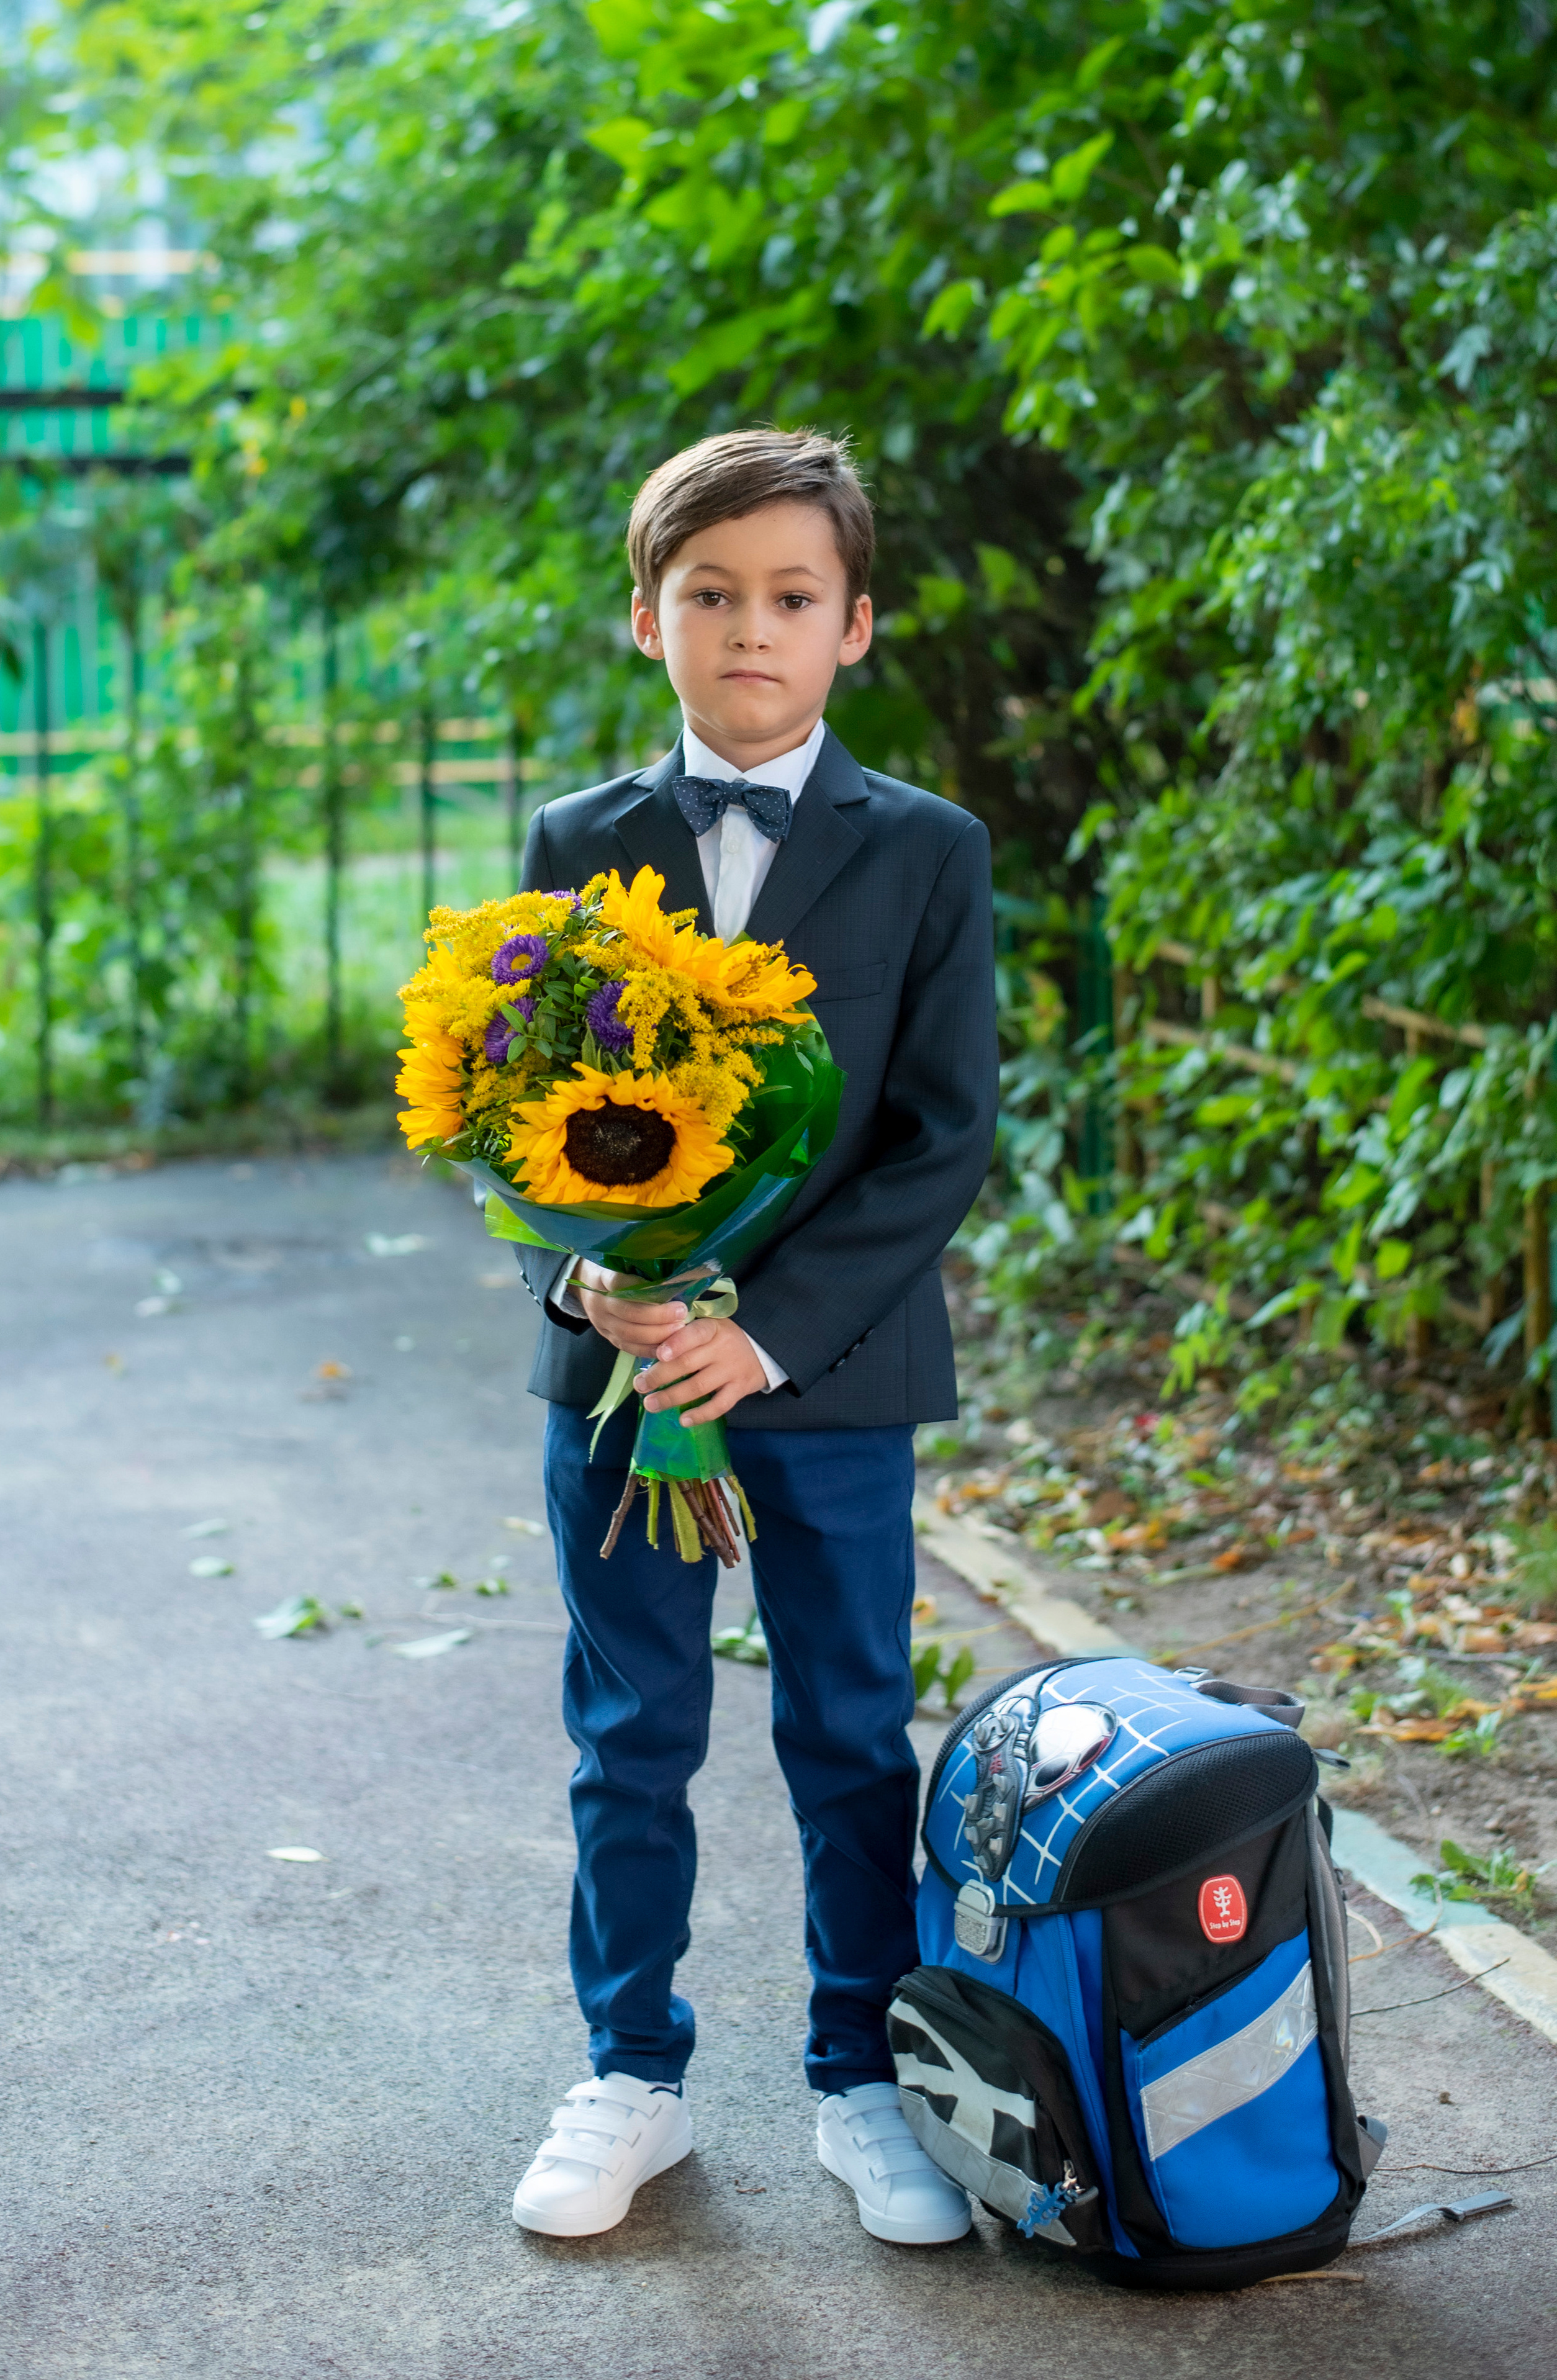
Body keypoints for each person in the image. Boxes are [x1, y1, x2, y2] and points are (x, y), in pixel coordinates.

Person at [506, 428, 998, 2243]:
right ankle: (630, 2072)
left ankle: (865, 2078)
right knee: (629, 1731)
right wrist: (582, 1279)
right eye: (710, 595)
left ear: (854, 624)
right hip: (620, 1377)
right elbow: (515, 1108)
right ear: (651, 618)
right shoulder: (576, 843)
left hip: (834, 1380)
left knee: (851, 1731)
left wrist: (769, 1335)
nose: (751, 630)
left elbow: (940, 1136)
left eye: (793, 596)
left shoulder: (929, 851)